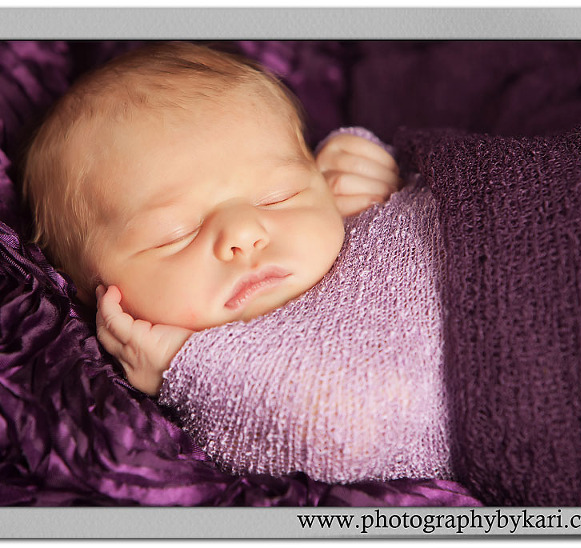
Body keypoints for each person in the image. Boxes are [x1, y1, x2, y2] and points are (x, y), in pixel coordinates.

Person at [23, 42, 401, 396]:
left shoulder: (358, 219)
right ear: (87, 290)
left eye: (279, 195)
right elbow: (327, 421)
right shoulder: (170, 378)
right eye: (176, 234)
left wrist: (382, 185)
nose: (242, 233)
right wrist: (185, 373)